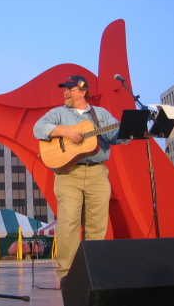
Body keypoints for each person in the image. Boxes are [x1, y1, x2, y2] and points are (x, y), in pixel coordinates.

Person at [33, 75, 127, 286]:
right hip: (68, 175)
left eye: (70, 89)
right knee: (68, 224)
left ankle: (93, 273)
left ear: (83, 92)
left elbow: (115, 136)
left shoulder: (100, 114)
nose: (65, 93)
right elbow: (38, 128)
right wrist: (65, 131)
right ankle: (67, 275)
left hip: (97, 174)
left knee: (97, 226)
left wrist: (131, 129)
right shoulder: (57, 113)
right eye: (64, 90)